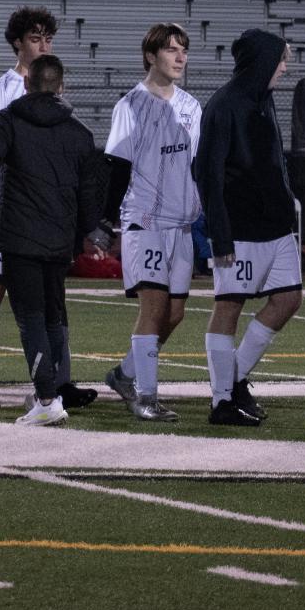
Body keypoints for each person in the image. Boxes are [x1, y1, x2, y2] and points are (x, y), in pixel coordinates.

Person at [0, 54, 105, 426]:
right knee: (53, 315)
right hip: (59, 239)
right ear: (62, 86)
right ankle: (50, 391)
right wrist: (92, 230)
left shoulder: (10, 121)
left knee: (30, 317)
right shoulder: (80, 132)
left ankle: (47, 397)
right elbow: (90, 192)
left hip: (19, 235)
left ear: (27, 84)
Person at [194, 29, 302, 428]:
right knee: (229, 307)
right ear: (261, 61)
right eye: (281, 59)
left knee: (289, 299)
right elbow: (207, 174)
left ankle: (233, 380)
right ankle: (223, 401)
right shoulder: (223, 105)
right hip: (238, 229)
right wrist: (219, 234)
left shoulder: (264, 100)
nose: (285, 67)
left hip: (275, 227)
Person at [102, 23, 202, 422]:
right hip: (144, 219)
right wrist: (105, 221)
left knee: (173, 316)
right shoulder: (130, 104)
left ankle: (124, 375)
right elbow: (117, 166)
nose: (180, 57)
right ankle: (146, 396)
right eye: (171, 50)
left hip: (182, 224)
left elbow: (195, 165)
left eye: (183, 50)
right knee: (154, 306)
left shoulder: (193, 107)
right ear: (150, 56)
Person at [0, 6, 58, 408]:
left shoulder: (55, 86)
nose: (43, 45)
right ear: (18, 43)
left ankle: (48, 385)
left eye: (48, 38)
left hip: (44, 212)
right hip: (5, 210)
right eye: (36, 38)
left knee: (44, 300)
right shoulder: (2, 90)